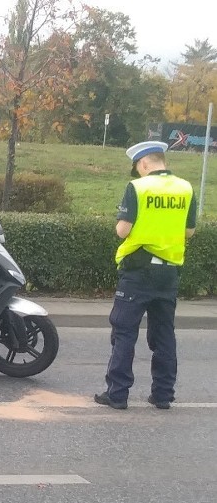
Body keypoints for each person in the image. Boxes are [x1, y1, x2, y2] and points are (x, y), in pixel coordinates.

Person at [94, 140, 197, 411]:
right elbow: (189, 232)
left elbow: (122, 230)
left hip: (138, 270)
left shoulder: (138, 187)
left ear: (144, 163)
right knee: (164, 333)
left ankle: (117, 394)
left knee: (124, 331)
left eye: (138, 168)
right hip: (169, 271)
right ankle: (163, 395)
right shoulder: (185, 188)